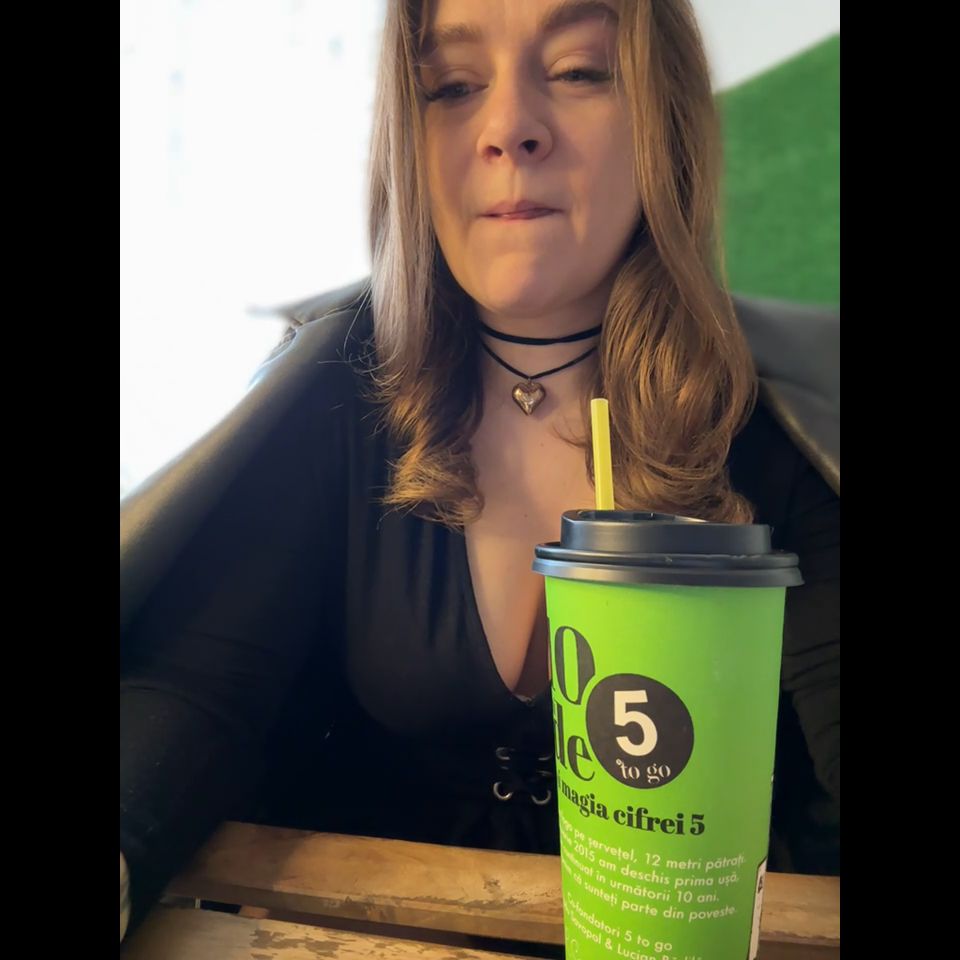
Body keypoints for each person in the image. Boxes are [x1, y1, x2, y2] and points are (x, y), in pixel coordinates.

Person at [120, 0, 840, 941]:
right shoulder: (340, 390)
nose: (508, 129)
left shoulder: (773, 418)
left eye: (579, 70)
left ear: (663, 117)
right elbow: (198, 691)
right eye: (453, 86)